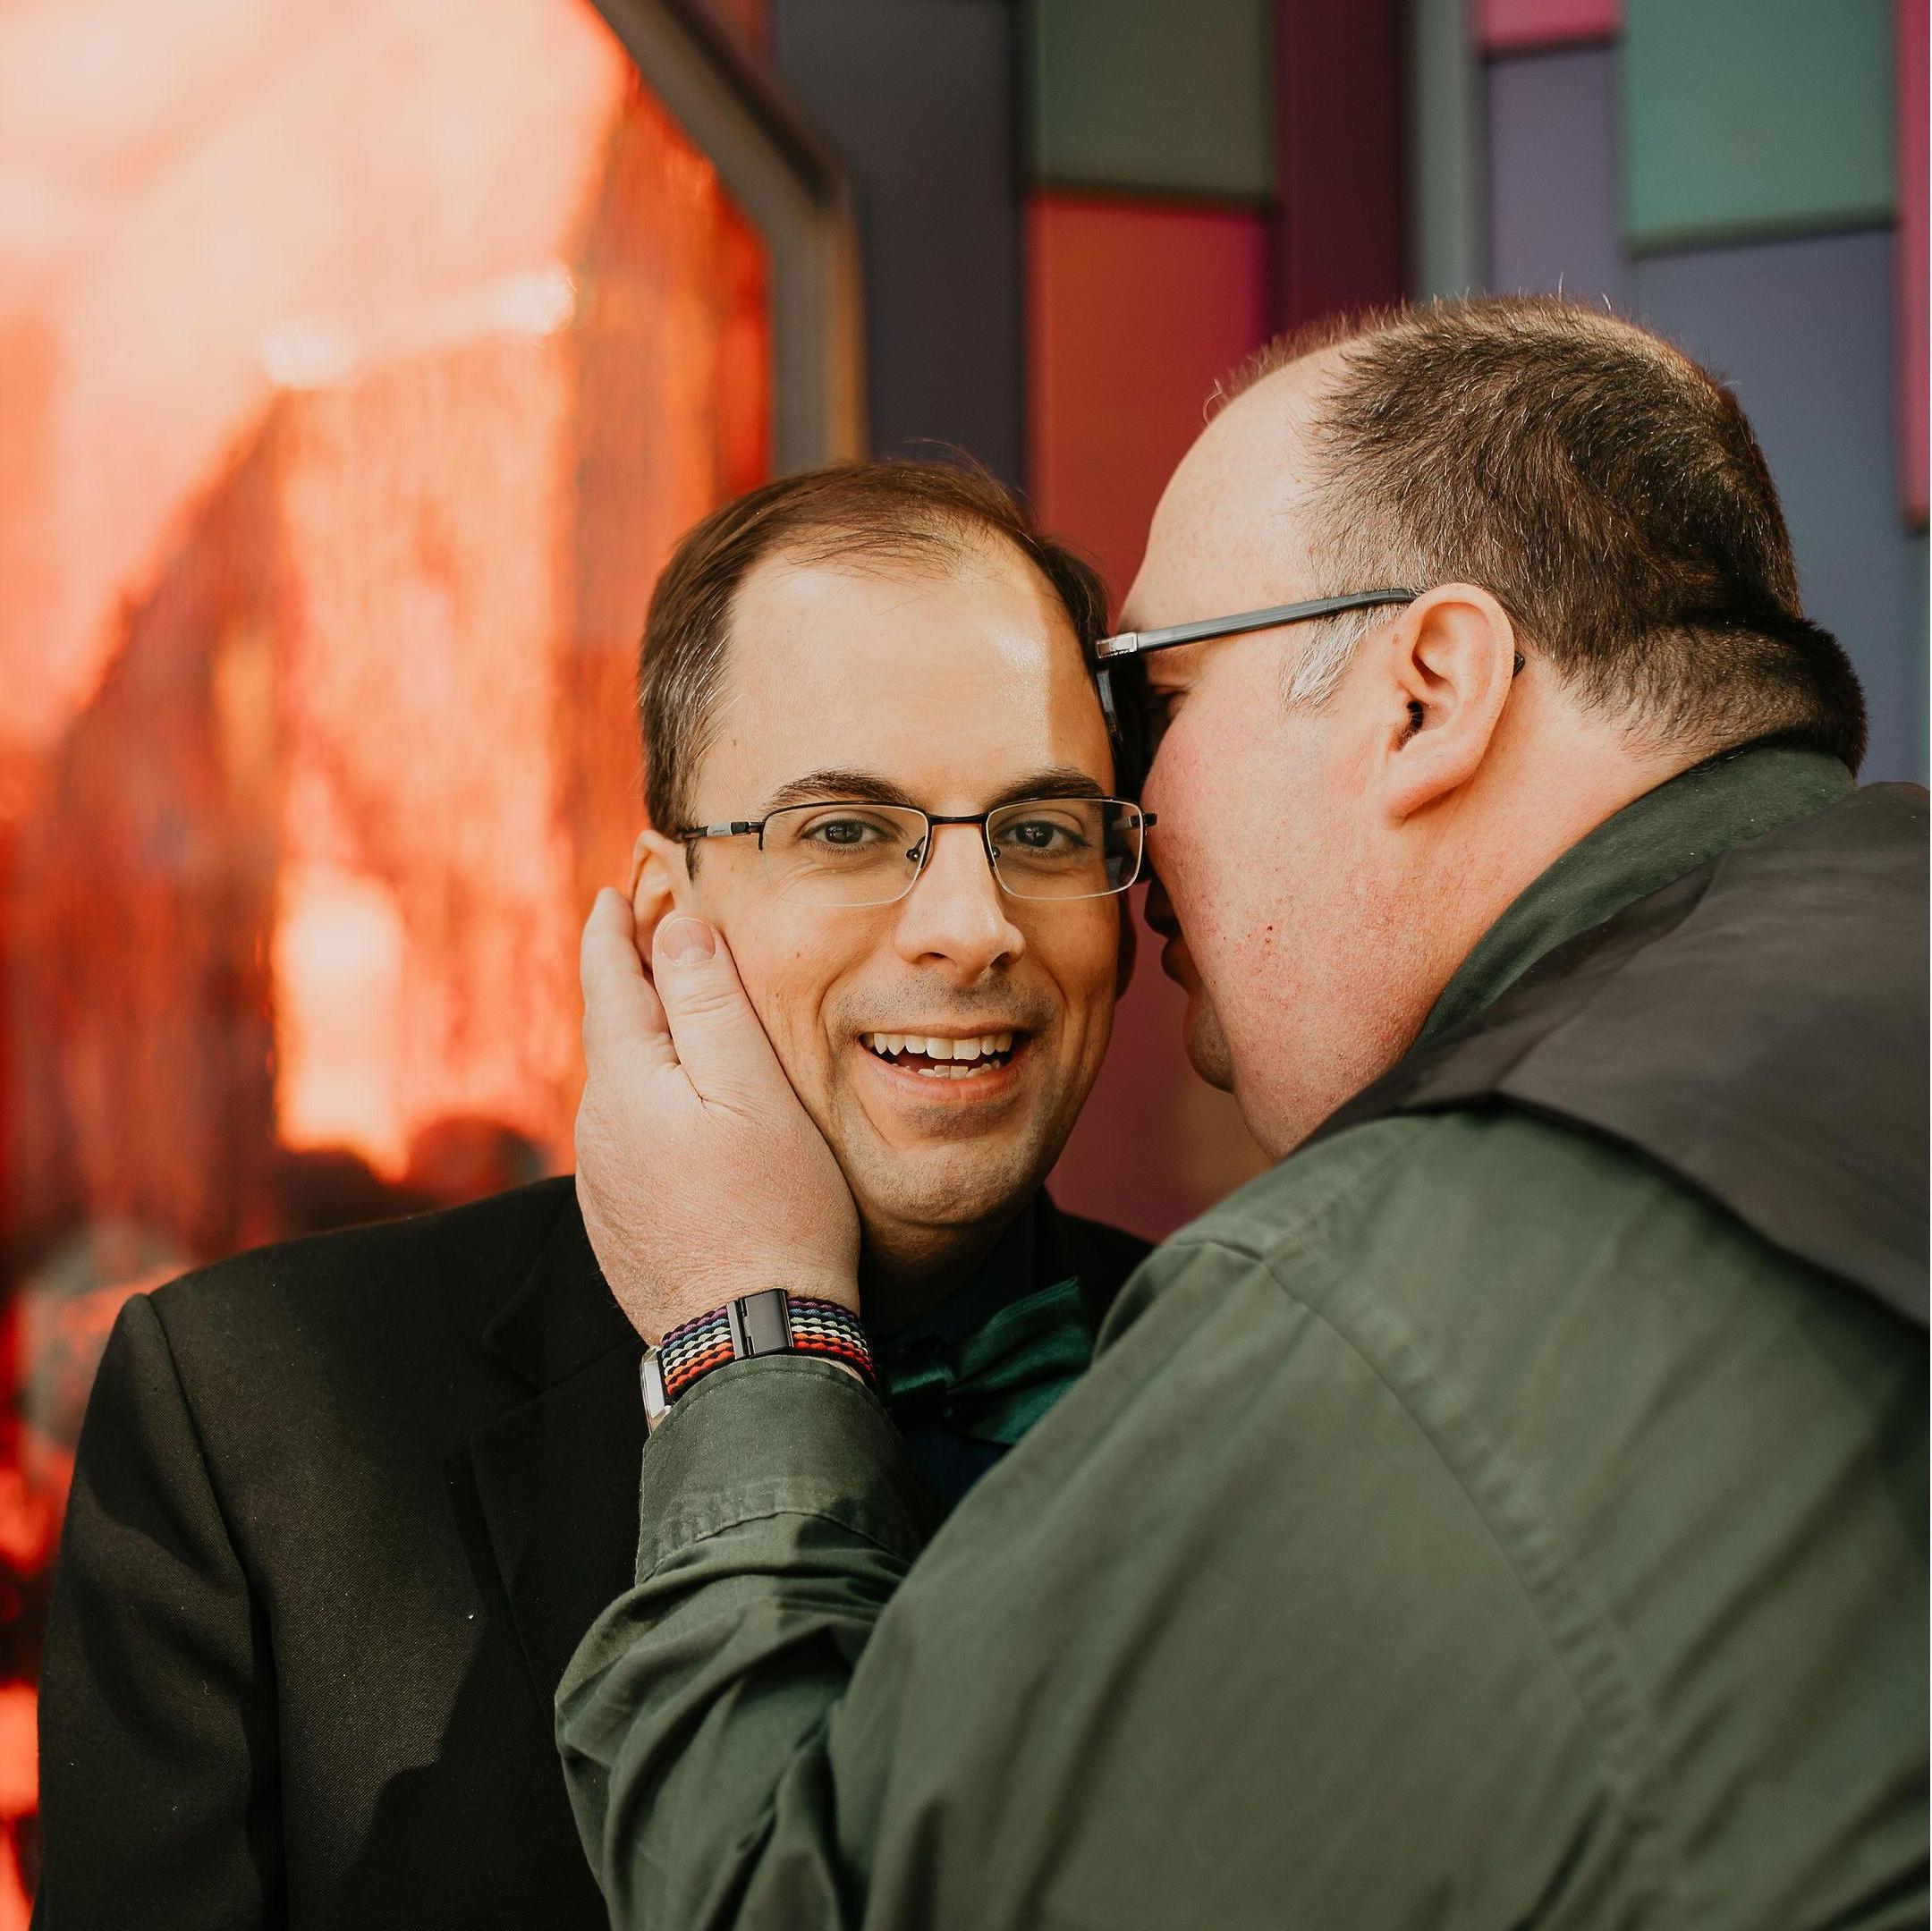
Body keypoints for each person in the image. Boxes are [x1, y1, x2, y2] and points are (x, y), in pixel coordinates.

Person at [556, 297, 1928, 1929]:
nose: (1129, 823)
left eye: (1154, 703)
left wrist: (744, 1339)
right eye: (845, 828)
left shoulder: (1376, 1312)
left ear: (1428, 692)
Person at [33, 462, 1150, 1929]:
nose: (971, 926)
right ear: (668, 914)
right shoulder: (251, 1414)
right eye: (845, 829)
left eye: (1043, 832)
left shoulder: (1272, 1378)